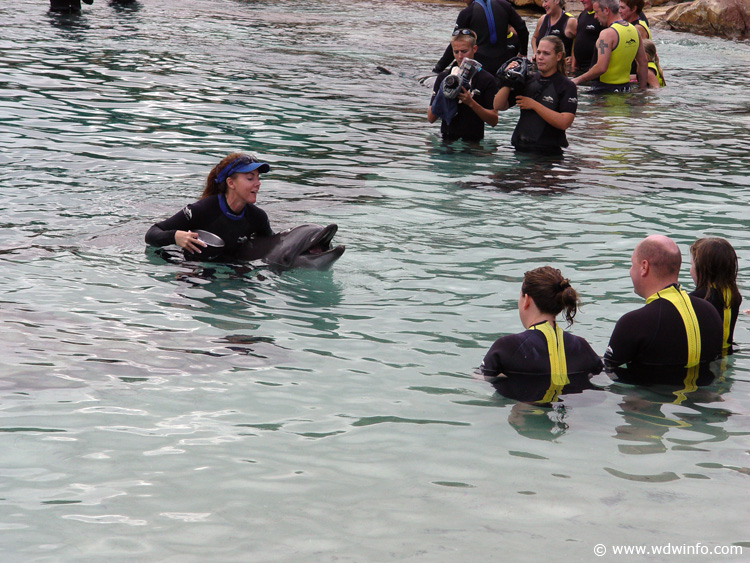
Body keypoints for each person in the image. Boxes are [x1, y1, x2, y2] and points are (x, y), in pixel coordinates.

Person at [604, 235, 723, 380]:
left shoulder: (634, 323)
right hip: (704, 398)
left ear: (644, 267)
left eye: (632, 264)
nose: (630, 271)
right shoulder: (710, 311)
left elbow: (608, 372)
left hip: (652, 398)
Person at [478, 266, 603, 402]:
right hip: (575, 411)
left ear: (526, 300)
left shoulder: (507, 347)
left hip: (528, 412)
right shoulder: (582, 347)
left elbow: (480, 380)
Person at [145, 153, 274, 261]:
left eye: (258, 178)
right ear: (230, 183)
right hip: (193, 269)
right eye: (250, 178)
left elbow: (274, 245)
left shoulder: (258, 217)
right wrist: (175, 236)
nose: (258, 183)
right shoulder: (202, 210)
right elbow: (151, 234)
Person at [493, 36, 577, 155]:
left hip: (548, 152)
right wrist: (508, 79)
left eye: (546, 53)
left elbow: (564, 122)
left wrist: (534, 105)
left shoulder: (566, 86)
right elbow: (499, 105)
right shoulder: (528, 80)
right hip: (519, 147)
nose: (540, 57)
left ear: (558, 56)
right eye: (538, 52)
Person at [428, 29, 499, 143]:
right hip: (446, 140)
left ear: (474, 49)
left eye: (464, 51)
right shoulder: (445, 77)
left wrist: (471, 103)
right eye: (456, 52)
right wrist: (444, 94)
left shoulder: (487, 79)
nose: (460, 56)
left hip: (473, 141)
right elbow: (431, 118)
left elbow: (493, 120)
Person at [432, 0, 529, 77]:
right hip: (502, 63)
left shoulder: (467, 12)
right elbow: (522, 29)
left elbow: (455, 45)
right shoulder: (505, 5)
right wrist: (523, 53)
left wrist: (438, 69)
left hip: (479, 66)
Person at [571, 0, 647, 92]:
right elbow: (643, 62)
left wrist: (577, 79)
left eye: (596, 12)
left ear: (606, 10)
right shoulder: (634, 30)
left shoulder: (607, 34)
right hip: (625, 89)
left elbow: (601, 67)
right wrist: (642, 89)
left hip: (604, 90)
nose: (595, 16)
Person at [689, 238, 742, 352]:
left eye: (691, 265)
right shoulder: (734, 296)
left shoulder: (695, 299)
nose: (690, 270)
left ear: (701, 268)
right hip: (727, 354)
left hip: (705, 358)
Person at [571, 0, 604, 73]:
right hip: (579, 67)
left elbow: (604, 44)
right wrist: (573, 65)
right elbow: (577, 39)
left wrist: (594, 67)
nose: (581, 1)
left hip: (592, 68)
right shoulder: (582, 15)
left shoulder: (601, 17)